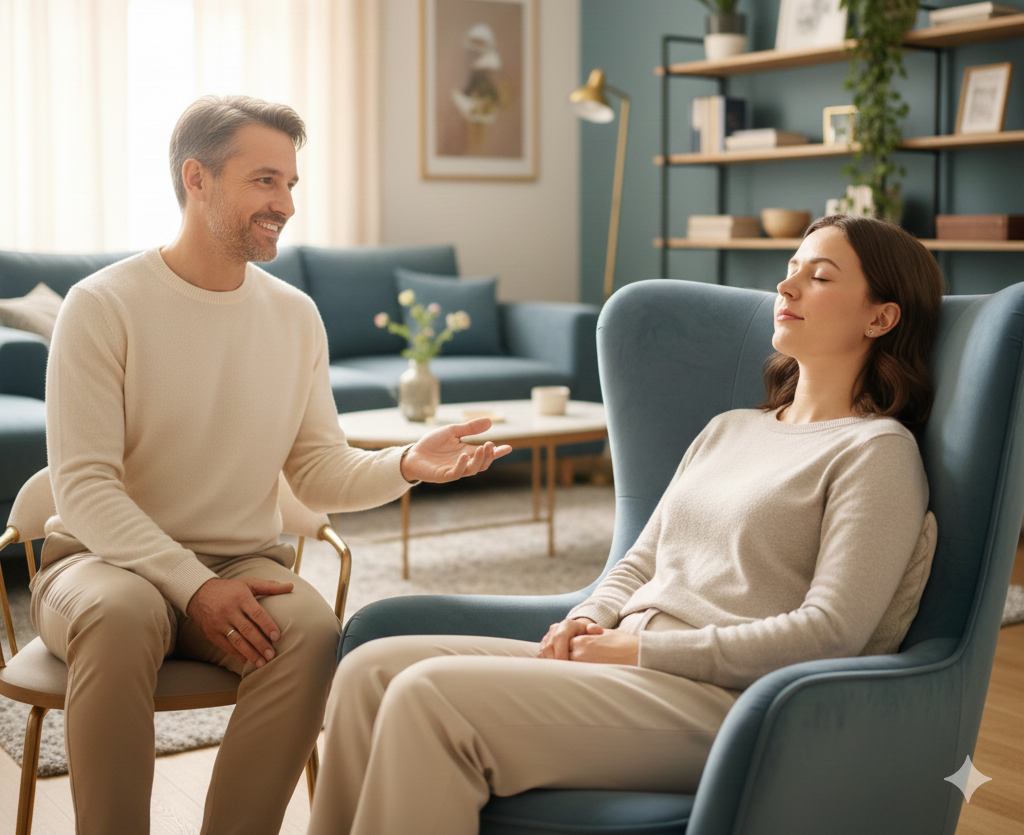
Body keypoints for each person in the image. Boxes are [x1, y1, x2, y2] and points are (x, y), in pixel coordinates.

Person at [306, 214, 945, 835]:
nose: (787, 286)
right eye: (791, 268)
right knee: (370, 671)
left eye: (820, 276)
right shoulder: (731, 429)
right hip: (625, 660)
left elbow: (830, 633)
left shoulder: (876, 452)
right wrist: (589, 617)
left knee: (428, 698)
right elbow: (641, 558)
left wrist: (639, 650)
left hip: (730, 701)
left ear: (880, 317)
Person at [30, 94, 512, 835]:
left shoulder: (294, 316)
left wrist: (407, 465)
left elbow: (315, 468)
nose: (285, 203)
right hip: (101, 563)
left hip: (239, 562)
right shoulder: (102, 305)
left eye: (289, 183)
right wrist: (193, 586)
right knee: (124, 616)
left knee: (310, 632)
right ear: (196, 179)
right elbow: (86, 490)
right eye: (264, 181)